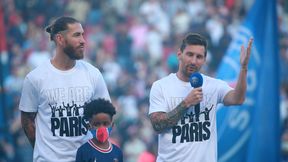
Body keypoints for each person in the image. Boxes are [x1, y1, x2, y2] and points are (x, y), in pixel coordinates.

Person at [148, 33, 253, 162]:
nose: (193, 61)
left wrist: (243, 68)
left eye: (199, 57)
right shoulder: (161, 86)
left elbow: (238, 99)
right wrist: (185, 104)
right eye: (190, 54)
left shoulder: (214, 85)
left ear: (204, 60)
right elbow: (157, 126)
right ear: (179, 54)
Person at [19, 16, 110, 162]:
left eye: (82, 34)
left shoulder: (93, 74)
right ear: (60, 39)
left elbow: (106, 116)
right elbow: (27, 122)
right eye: (77, 35)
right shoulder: (35, 78)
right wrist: (45, 151)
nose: (83, 40)